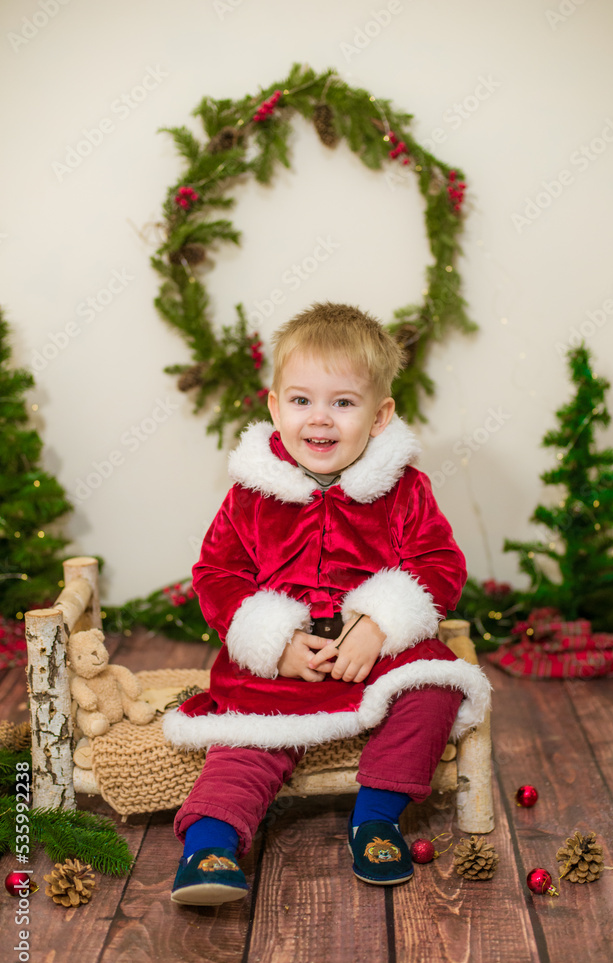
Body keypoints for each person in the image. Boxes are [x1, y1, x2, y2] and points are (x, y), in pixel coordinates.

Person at [165, 301, 491, 906]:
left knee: (438, 684)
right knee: (247, 740)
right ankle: (209, 844)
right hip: (285, 666)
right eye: (301, 401)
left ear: (379, 415)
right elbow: (217, 573)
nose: (320, 419)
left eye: (343, 402)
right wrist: (274, 641)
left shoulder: (403, 488)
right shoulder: (251, 493)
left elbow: (439, 564)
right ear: (274, 406)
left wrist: (378, 625)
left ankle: (376, 815)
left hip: (372, 658)